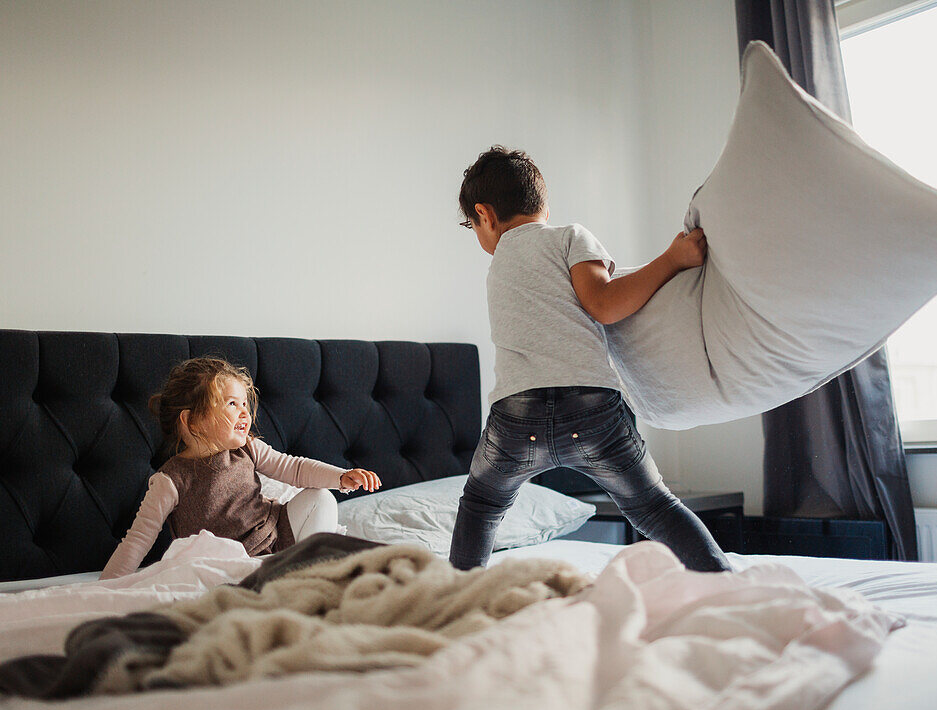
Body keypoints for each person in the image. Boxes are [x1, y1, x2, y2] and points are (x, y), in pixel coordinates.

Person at [448, 145, 731, 573]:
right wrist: (673, 260)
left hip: (515, 418)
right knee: (653, 507)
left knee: (481, 505)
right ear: (542, 203)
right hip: (590, 412)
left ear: (484, 216)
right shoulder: (569, 237)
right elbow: (604, 303)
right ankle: (720, 579)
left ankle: (459, 595)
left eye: (473, 226)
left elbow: (596, 305)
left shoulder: (501, 259)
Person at [100, 357, 380, 579]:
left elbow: (293, 468)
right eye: (232, 404)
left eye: (245, 404)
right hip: (227, 562)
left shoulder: (247, 447)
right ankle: (279, 578)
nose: (245, 413)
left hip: (277, 535)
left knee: (320, 499)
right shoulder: (171, 480)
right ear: (193, 421)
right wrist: (107, 589)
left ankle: (308, 576)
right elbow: (138, 539)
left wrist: (340, 476)